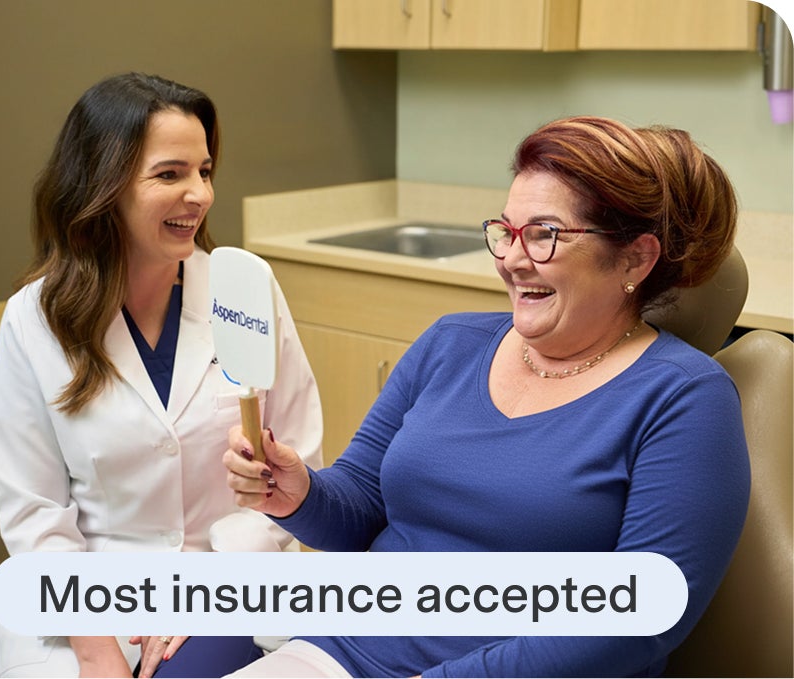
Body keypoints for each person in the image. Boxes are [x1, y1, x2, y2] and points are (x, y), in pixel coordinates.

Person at [212, 116, 751, 677]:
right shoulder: (451, 343)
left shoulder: (685, 400)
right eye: (506, 231)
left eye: (545, 235)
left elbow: (638, 619)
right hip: (340, 652)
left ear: (635, 259)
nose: (512, 261)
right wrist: (297, 494)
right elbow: (361, 512)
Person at [0, 72, 323, 678]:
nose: (199, 194)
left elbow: (302, 462)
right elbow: (34, 510)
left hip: (221, 588)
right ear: (102, 188)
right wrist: (97, 651)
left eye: (205, 171)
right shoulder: (34, 321)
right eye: (170, 174)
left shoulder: (243, 290)